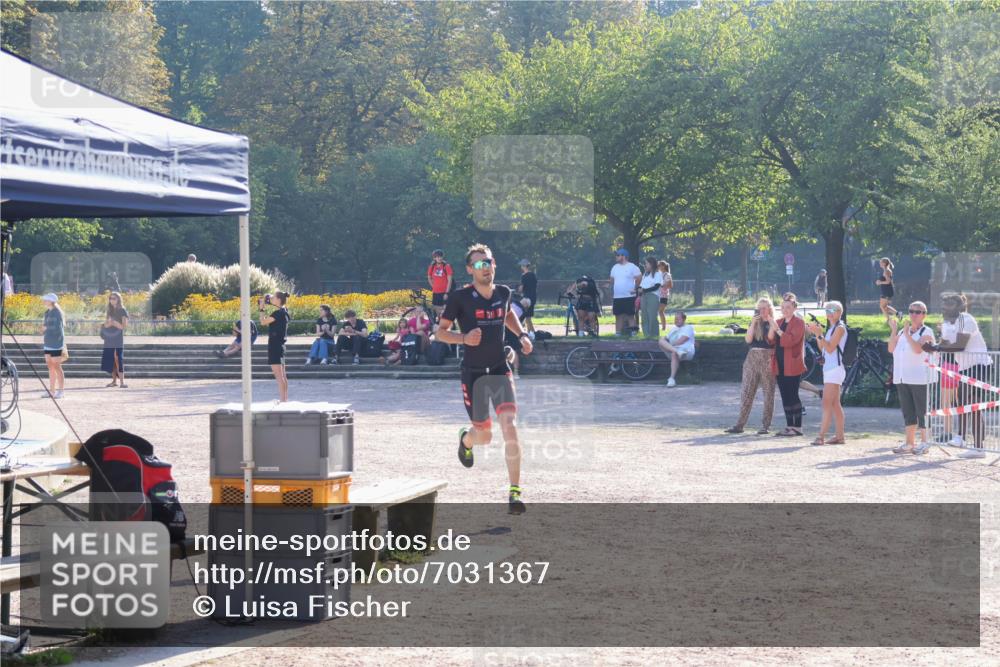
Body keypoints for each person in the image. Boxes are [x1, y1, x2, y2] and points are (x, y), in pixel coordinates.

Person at [435, 243, 533, 514]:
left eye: (488, 262)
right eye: (479, 264)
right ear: (470, 270)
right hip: (474, 375)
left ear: (494, 264)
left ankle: (514, 492)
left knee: (510, 426)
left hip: (500, 369)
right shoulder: (459, 297)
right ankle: (466, 440)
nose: (485, 267)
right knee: (485, 436)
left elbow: (508, 315)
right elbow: (439, 333)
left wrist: (522, 335)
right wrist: (463, 338)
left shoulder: (503, 292)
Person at [929, 293, 993, 458]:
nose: (944, 308)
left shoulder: (966, 318)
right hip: (964, 367)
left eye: (949, 305)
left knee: (973, 405)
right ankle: (962, 439)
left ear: (959, 307)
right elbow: (944, 344)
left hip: (979, 365)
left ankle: (977, 447)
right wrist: (934, 346)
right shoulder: (945, 323)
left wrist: (936, 348)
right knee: (963, 402)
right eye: (943, 305)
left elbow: (959, 346)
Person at [889, 302, 935, 455]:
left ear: (924, 315)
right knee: (908, 411)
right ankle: (909, 443)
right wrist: (894, 330)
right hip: (902, 376)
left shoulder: (927, 331)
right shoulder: (902, 331)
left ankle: (924, 442)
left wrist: (908, 335)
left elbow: (917, 350)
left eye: (918, 312)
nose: (914, 314)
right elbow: (891, 348)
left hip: (920, 377)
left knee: (922, 411)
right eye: (911, 311)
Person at [726, 297, 777, 435]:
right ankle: (740, 424)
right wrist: (753, 324)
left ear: (770, 308)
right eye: (759, 308)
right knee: (747, 391)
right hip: (752, 357)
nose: (761, 311)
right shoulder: (755, 322)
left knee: (768, 393)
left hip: (767, 357)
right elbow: (748, 340)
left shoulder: (774, 322)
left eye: (764, 308)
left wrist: (770, 320)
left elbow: (771, 339)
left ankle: (765, 425)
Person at [806, 300, 847, 445]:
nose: (829, 313)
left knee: (826, 403)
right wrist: (818, 334)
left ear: (839, 312)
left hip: (835, 370)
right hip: (830, 369)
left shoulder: (840, 328)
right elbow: (822, 347)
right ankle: (839, 436)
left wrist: (819, 334)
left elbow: (830, 348)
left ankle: (821, 436)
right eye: (827, 310)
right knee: (835, 404)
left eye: (832, 310)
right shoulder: (831, 329)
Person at [768, 296, 807, 437]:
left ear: (794, 308)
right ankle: (789, 426)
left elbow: (790, 340)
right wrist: (772, 326)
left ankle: (798, 427)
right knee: (785, 396)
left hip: (793, 364)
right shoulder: (779, 322)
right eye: (783, 307)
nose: (785, 310)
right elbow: (771, 340)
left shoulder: (799, 323)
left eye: (788, 307)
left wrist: (777, 329)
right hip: (779, 363)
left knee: (793, 395)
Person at [258, 291, 290, 402]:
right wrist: (267, 301)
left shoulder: (278, 313)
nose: (270, 299)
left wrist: (261, 309)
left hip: (275, 346)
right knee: (283, 376)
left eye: (273, 297)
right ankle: (284, 400)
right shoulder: (284, 312)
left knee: (279, 377)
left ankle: (282, 401)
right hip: (280, 346)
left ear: (278, 300)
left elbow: (262, 322)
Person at [658, 311, 695, 388]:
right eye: (675, 319)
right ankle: (677, 351)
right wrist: (664, 339)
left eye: (678, 319)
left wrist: (669, 346)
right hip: (675, 350)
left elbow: (681, 341)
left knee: (674, 353)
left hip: (686, 352)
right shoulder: (673, 329)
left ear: (684, 319)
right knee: (661, 341)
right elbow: (666, 338)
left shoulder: (689, 328)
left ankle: (671, 379)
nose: (676, 320)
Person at [100, 291, 129, 388]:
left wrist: (114, 323)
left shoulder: (122, 310)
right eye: (110, 298)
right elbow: (106, 324)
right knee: (111, 359)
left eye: (114, 298)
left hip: (118, 338)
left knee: (118, 358)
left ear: (118, 299)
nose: (112, 300)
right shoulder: (109, 310)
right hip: (109, 337)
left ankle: (122, 382)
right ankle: (114, 381)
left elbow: (123, 326)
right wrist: (107, 324)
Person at [610, 248, 641, 335]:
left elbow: (639, 278)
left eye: (618, 255)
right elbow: (612, 280)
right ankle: (618, 334)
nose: (616, 257)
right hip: (617, 296)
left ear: (624, 256)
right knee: (618, 316)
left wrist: (635, 288)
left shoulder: (632, 266)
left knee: (630, 315)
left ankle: (633, 333)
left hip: (629, 296)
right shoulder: (614, 267)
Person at [40, 293, 66, 399]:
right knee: (50, 366)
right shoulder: (47, 312)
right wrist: (43, 329)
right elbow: (46, 326)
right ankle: (51, 391)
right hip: (48, 342)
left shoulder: (57, 313)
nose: (44, 301)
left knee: (57, 366)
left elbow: (58, 329)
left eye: (46, 300)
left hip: (56, 343)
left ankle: (61, 391)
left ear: (51, 301)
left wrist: (46, 329)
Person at [638, 256, 663, 339]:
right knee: (644, 316)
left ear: (651, 264)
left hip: (653, 296)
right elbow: (641, 286)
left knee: (652, 316)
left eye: (646, 264)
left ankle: (654, 335)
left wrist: (644, 290)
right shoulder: (645, 274)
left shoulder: (657, 274)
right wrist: (638, 291)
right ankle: (646, 335)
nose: (645, 265)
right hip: (644, 297)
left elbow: (656, 286)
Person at [427, 250, 454, 318]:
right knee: (436, 312)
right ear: (434, 258)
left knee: (445, 311)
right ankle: (437, 326)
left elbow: (449, 281)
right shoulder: (432, 267)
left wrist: (447, 293)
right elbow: (429, 278)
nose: (439, 258)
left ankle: (451, 326)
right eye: (437, 257)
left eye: (440, 256)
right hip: (436, 293)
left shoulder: (446, 266)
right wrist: (434, 286)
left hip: (444, 292)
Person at [518, 259, 537, 334]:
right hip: (533, 297)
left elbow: (521, 288)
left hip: (527, 298)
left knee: (525, 316)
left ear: (524, 266)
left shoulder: (524, 276)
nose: (521, 267)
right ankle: (530, 333)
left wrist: (518, 289)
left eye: (521, 266)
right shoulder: (533, 275)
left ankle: (532, 333)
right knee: (527, 316)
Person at [657, 261, 673, 330]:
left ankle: (663, 327)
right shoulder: (659, 274)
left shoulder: (667, 275)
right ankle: (661, 327)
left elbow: (670, 285)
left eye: (659, 265)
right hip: (658, 295)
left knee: (661, 311)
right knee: (659, 311)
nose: (658, 267)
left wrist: (663, 285)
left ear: (663, 266)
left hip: (663, 295)